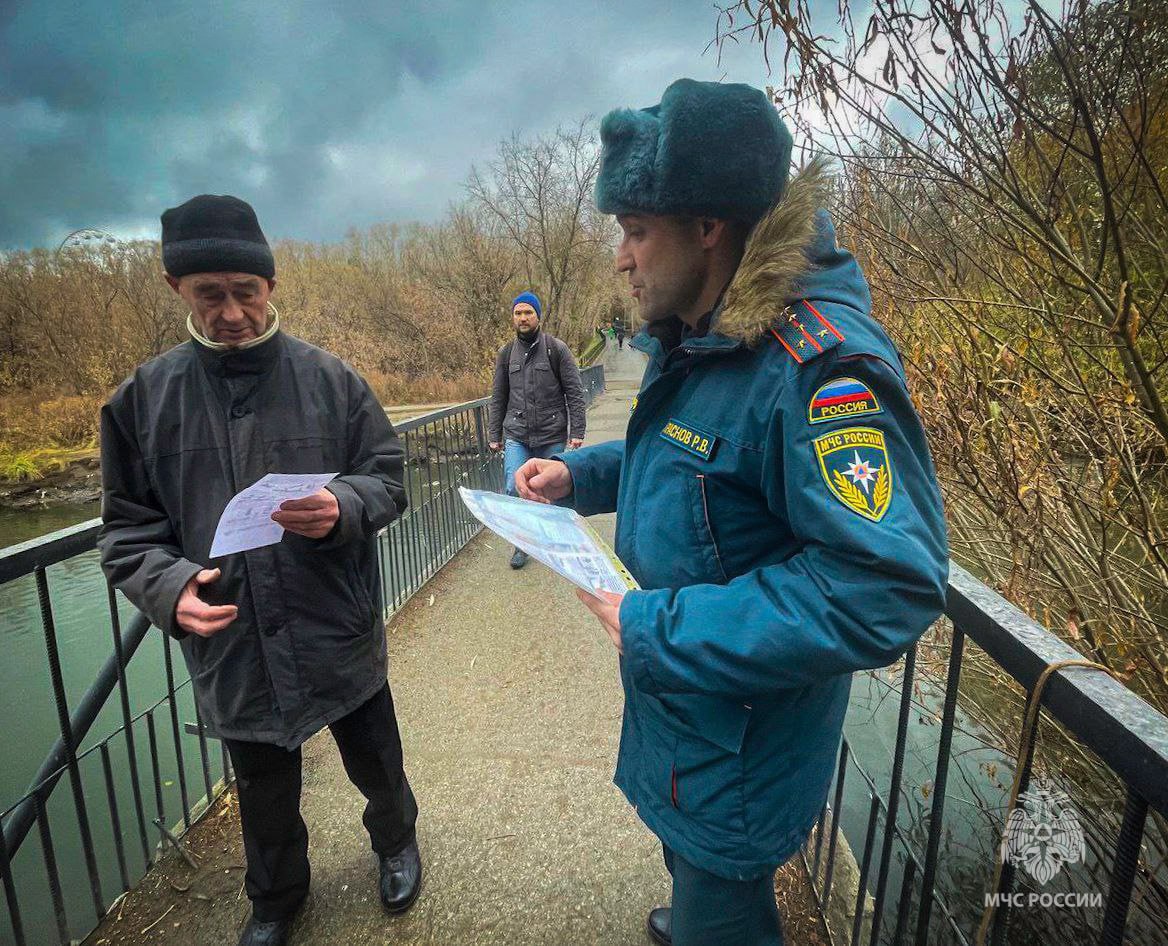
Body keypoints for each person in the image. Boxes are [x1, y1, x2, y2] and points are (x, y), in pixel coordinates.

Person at [515, 79, 948, 946]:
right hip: (691, 721)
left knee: (723, 905)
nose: (621, 258)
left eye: (637, 231)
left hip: (738, 747)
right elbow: (694, 456)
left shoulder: (818, 369)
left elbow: (886, 586)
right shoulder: (707, 340)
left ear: (707, 226)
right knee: (695, 866)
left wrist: (658, 627)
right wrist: (581, 477)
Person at [98, 195, 423, 946]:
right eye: (210, 294)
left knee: (377, 759)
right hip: (235, 642)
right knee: (263, 789)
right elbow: (125, 533)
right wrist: (168, 587)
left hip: (334, 625)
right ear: (177, 289)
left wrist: (341, 505)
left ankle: (396, 841)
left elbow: (387, 478)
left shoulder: (332, 379)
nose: (233, 311)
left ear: (270, 286)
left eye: (247, 291)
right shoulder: (140, 402)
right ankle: (276, 898)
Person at [488, 291, 587, 569]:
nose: (523, 318)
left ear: (538, 316)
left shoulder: (557, 349)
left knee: (552, 489)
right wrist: (494, 434)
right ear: (513, 317)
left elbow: (574, 392)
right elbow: (499, 396)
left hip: (551, 434)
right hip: (517, 435)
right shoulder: (506, 354)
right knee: (512, 487)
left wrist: (576, 429)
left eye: (528, 312)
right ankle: (522, 545)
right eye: (518, 313)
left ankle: (553, 540)